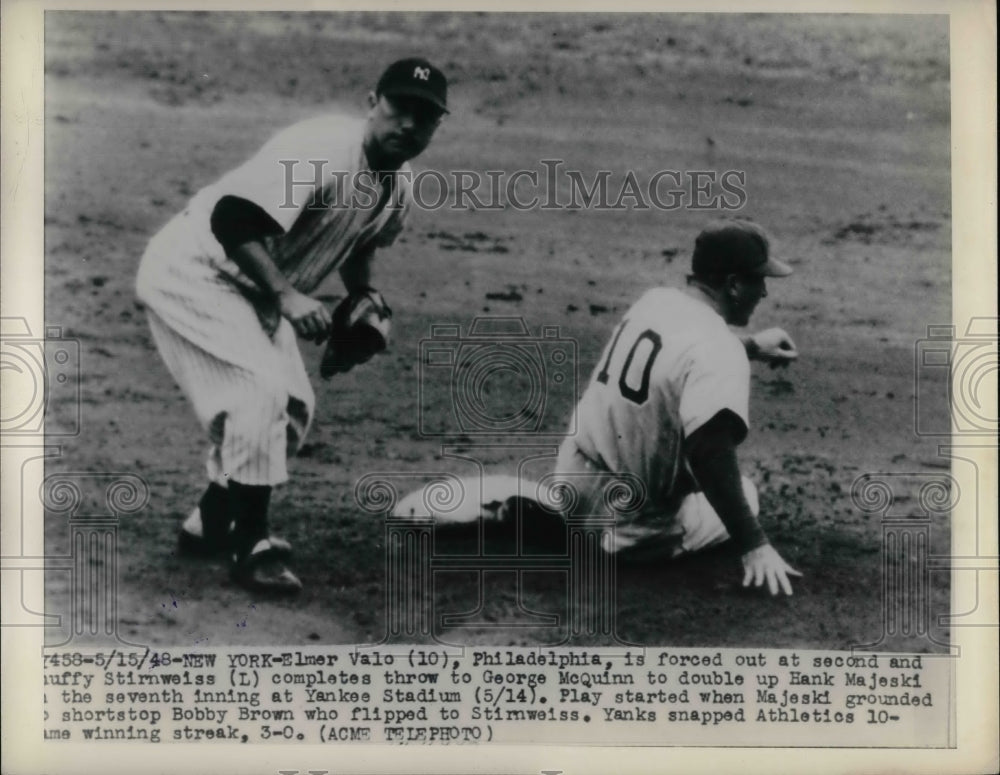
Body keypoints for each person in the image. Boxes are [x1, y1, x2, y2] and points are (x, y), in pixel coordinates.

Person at [135, 58, 449, 594]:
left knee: (294, 409)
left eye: (425, 118)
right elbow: (231, 219)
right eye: (400, 109)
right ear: (372, 102)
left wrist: (363, 297)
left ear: (437, 125)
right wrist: (287, 295)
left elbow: (360, 243)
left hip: (252, 287)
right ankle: (250, 545)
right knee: (258, 394)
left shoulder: (399, 185)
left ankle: (212, 522)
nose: (409, 126)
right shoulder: (323, 150)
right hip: (195, 271)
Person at [553, 220, 803, 595]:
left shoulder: (655, 301)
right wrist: (754, 545)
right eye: (757, 281)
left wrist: (749, 346)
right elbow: (709, 453)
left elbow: (676, 358)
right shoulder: (719, 352)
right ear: (734, 285)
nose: (764, 291)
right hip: (630, 530)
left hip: (571, 492)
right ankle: (651, 538)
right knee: (746, 494)